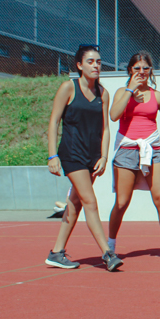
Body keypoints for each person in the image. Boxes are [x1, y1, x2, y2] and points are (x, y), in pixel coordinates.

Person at [44, 45, 123, 271]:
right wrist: (52, 155)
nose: (96, 66)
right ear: (79, 65)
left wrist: (104, 156)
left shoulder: (103, 93)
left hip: (92, 157)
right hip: (72, 154)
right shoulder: (68, 88)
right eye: (90, 61)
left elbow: (106, 129)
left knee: (76, 203)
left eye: (98, 62)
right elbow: (53, 122)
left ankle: (57, 252)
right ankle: (107, 254)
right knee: (89, 200)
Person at [106, 52, 160, 261]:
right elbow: (113, 116)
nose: (141, 72)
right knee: (122, 202)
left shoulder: (158, 96)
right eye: (137, 68)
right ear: (130, 70)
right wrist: (130, 90)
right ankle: (110, 245)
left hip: (152, 150)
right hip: (126, 151)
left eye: (145, 68)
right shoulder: (122, 91)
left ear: (150, 71)